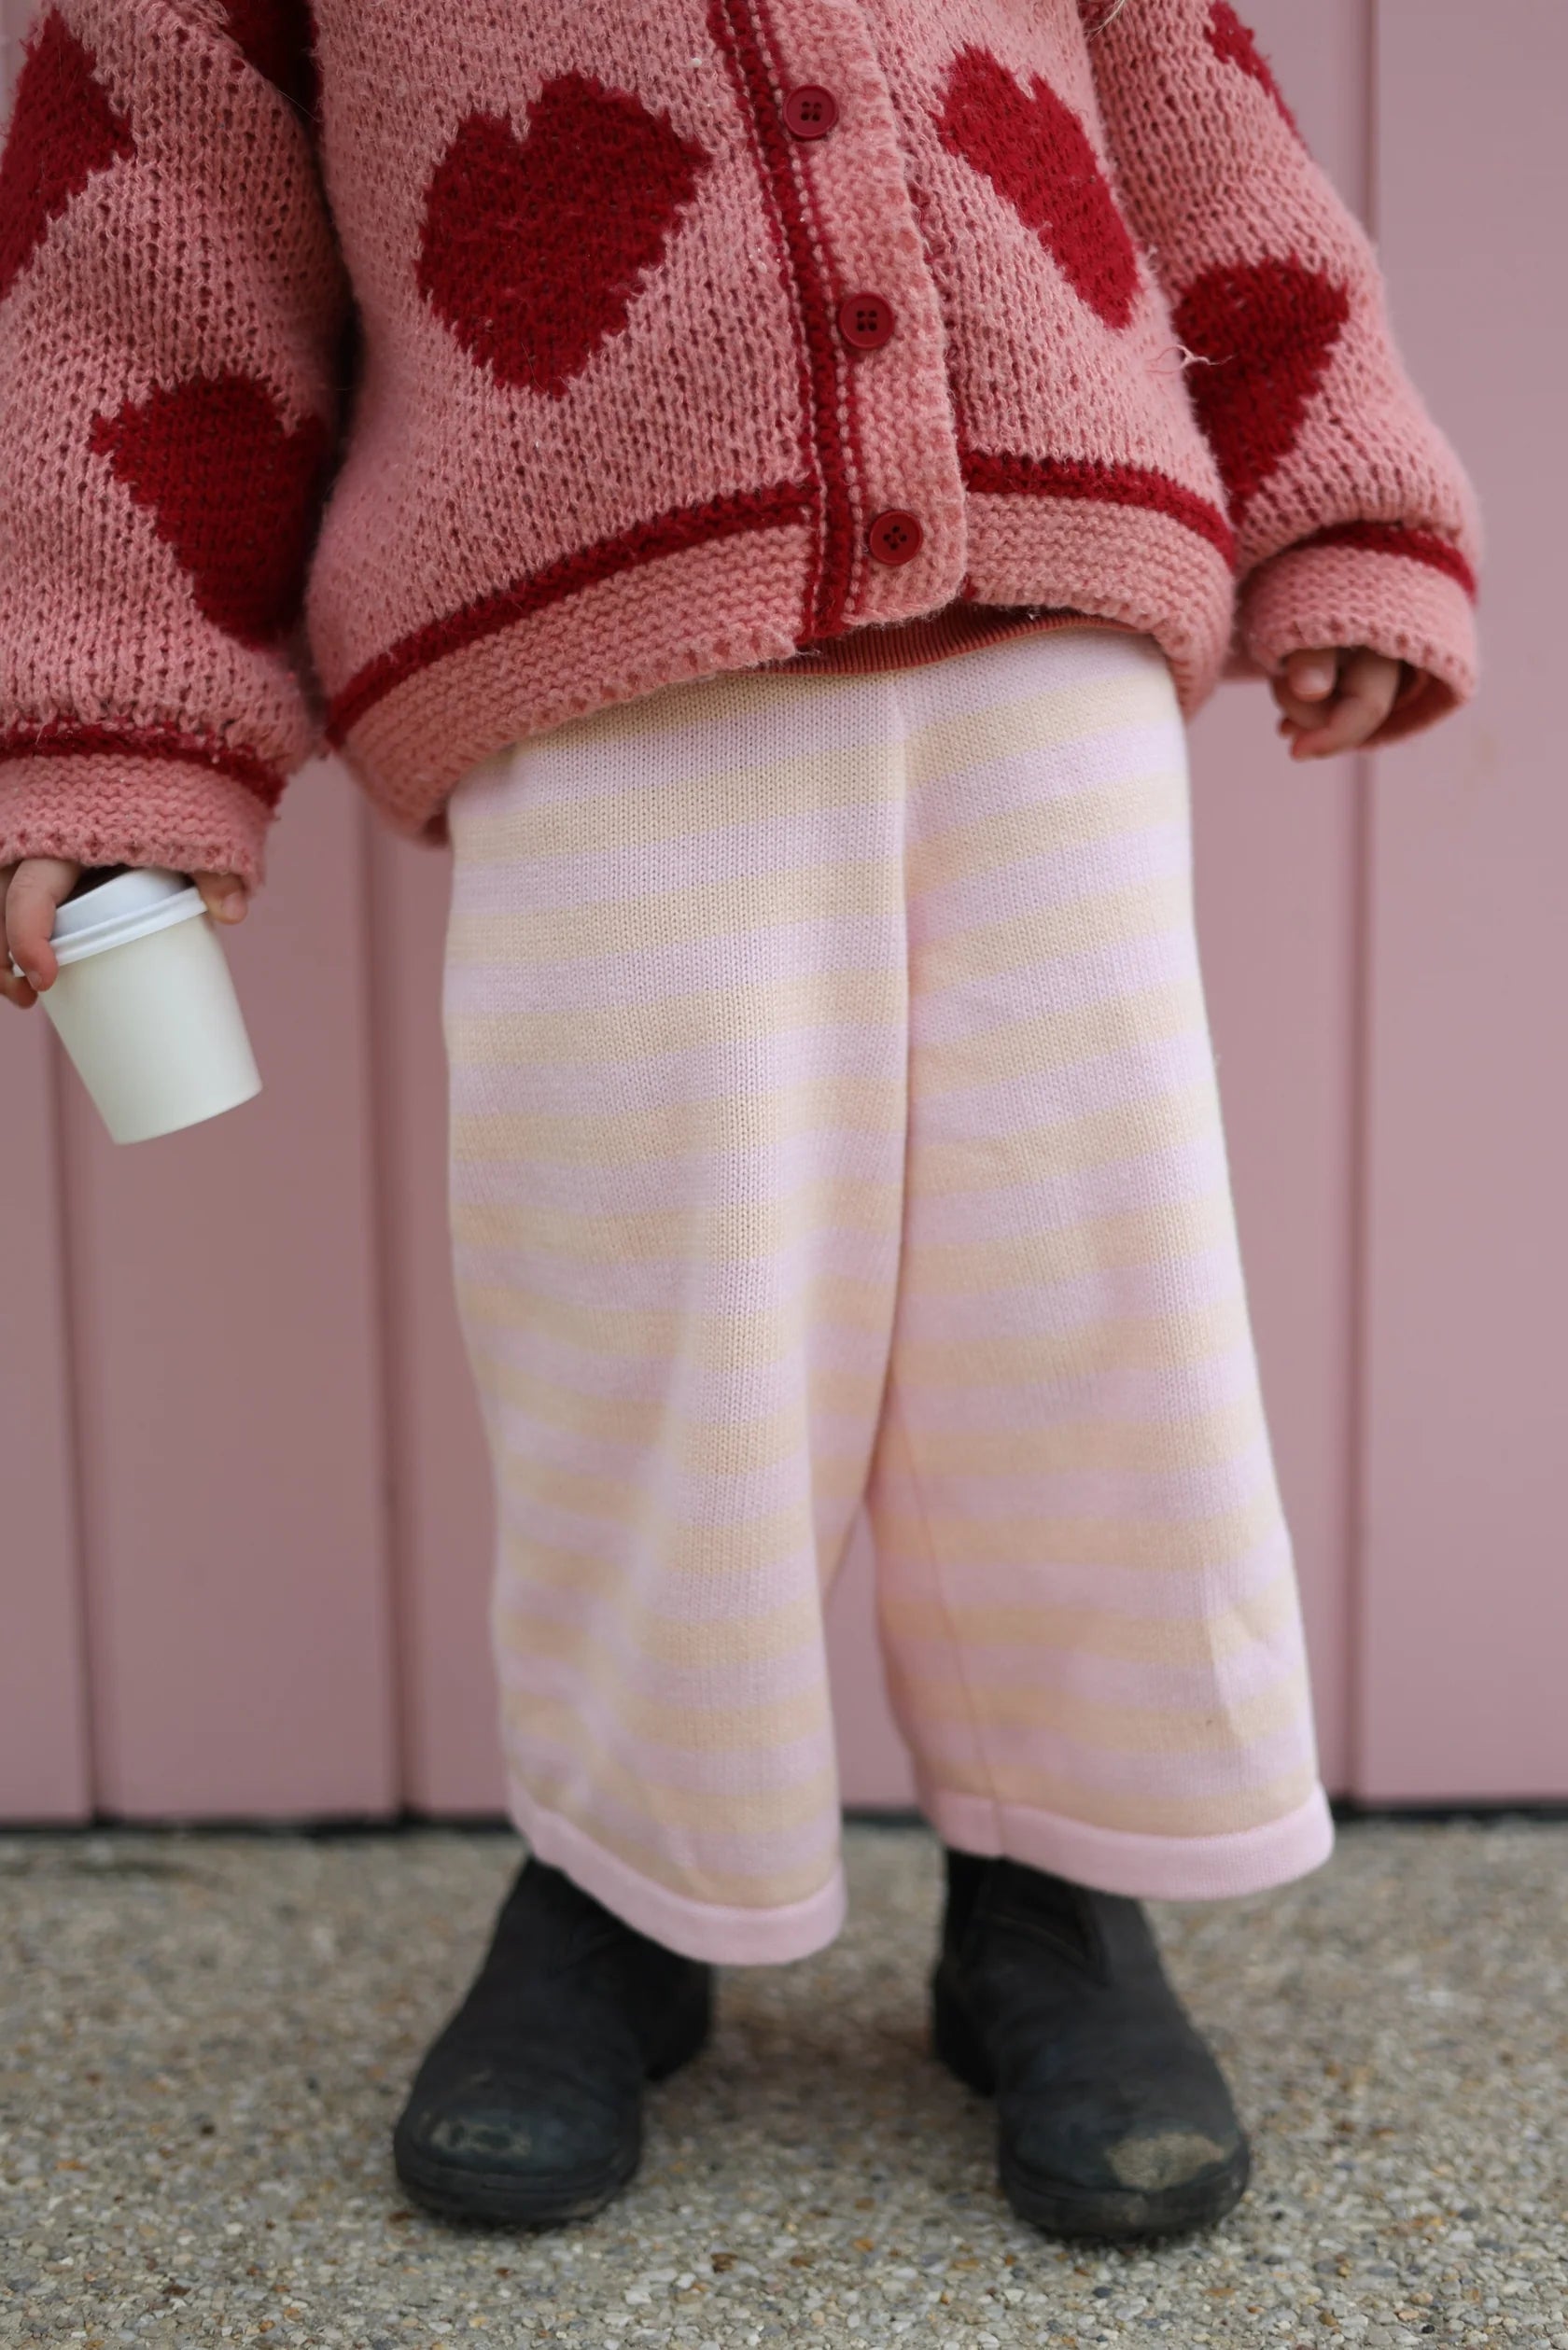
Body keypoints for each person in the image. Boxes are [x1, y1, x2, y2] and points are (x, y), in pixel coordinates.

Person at [0, 0, 1477, 2243]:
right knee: (651, 1332)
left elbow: (1189, 99)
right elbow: (146, 222)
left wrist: (1339, 476)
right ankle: (624, 1879)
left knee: (1078, 1307)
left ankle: (1059, 1892)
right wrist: (119, 740)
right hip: (591, 658)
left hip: (1048, 626)